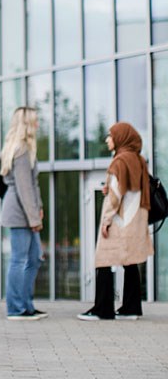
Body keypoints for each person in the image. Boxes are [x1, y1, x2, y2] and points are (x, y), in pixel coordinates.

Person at [78, 122, 153, 321]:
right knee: (130, 262)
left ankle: (102, 309)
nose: (107, 140)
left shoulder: (119, 161)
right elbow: (130, 191)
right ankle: (131, 308)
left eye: (110, 136)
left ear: (121, 138)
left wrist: (106, 220)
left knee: (103, 261)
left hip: (119, 220)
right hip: (136, 219)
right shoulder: (138, 160)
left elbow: (116, 196)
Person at [0, 107, 47, 320]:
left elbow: (31, 186)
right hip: (20, 212)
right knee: (19, 260)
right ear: (27, 124)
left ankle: (25, 304)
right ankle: (16, 308)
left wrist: (39, 207)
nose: (38, 125)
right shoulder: (22, 150)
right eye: (35, 121)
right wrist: (34, 218)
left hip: (25, 211)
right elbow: (25, 188)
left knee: (34, 257)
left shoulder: (22, 148)